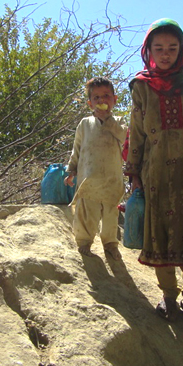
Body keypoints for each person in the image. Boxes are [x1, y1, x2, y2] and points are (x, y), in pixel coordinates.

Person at [124, 19, 183, 325]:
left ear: (182, 51)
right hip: (157, 171)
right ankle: (167, 297)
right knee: (160, 235)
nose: (165, 54)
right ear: (148, 50)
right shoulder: (141, 86)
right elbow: (136, 131)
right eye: (159, 48)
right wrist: (134, 171)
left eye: (172, 48)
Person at [64, 77, 127, 260]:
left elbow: (125, 139)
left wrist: (108, 121)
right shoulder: (84, 124)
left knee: (110, 215)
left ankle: (110, 244)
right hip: (88, 179)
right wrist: (71, 170)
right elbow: (77, 148)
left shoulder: (119, 122)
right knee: (86, 213)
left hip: (111, 180)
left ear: (114, 99)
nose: (101, 101)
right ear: (90, 102)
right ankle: (84, 241)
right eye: (96, 97)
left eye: (106, 96)